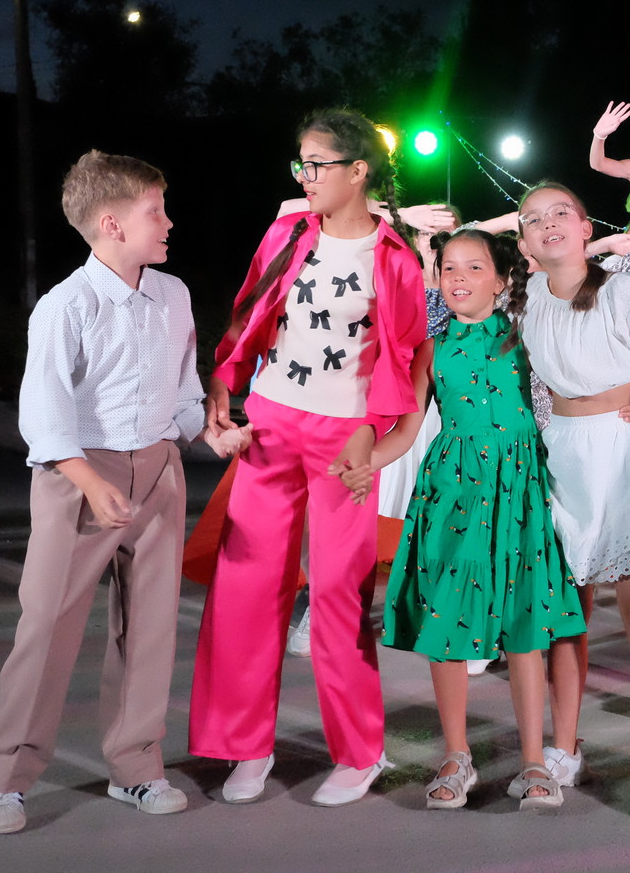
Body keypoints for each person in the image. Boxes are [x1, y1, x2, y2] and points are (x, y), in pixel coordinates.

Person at [0, 150, 223, 833]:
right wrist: (89, 482)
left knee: (149, 627)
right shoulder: (66, 306)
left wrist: (210, 430)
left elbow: (183, 390)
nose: (168, 223)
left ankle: (136, 767)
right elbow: (44, 412)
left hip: (159, 469)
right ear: (112, 224)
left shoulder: (172, 295)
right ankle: (4, 781)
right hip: (79, 474)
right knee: (47, 626)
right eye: (155, 211)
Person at [188, 108, 426, 805]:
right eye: (301, 163)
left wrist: (376, 441)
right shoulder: (287, 233)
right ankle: (245, 746)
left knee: (337, 595)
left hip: (344, 439)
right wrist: (223, 385)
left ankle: (359, 751)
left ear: (359, 171)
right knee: (246, 587)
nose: (306, 175)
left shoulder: (396, 259)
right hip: (270, 424)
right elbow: (247, 316)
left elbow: (408, 363)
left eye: (318, 163)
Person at [339, 228, 586, 809]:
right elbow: (404, 431)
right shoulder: (432, 349)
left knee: (525, 627)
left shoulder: (527, 338)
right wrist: (365, 463)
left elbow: (573, 394)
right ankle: (456, 755)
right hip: (452, 493)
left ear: (501, 281)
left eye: (474, 268)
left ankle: (533, 761)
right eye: (449, 267)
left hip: (520, 491)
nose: (458, 278)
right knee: (449, 620)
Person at [515, 182, 630, 821]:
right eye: (532, 219)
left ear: (586, 226)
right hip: (561, 453)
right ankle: (563, 748)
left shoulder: (622, 289)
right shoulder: (528, 298)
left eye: (559, 213)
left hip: (623, 450)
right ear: (524, 239)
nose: (548, 224)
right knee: (569, 616)